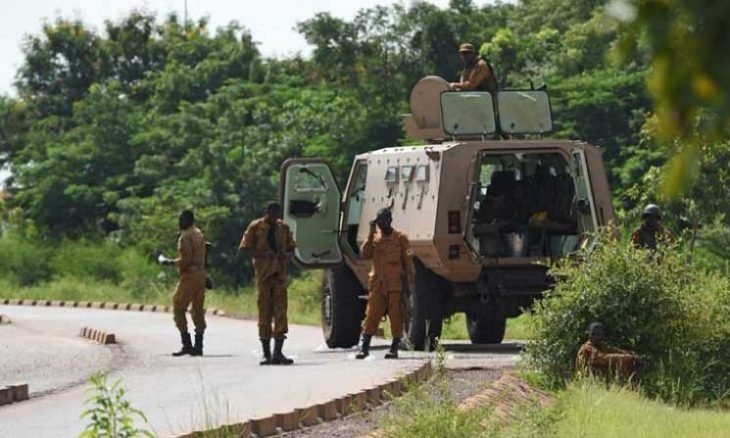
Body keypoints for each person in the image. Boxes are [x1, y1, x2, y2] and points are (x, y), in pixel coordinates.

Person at [239, 202, 297, 365]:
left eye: (277, 213)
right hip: (263, 276)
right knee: (264, 313)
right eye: (272, 213)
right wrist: (262, 254)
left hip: (279, 275)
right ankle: (266, 353)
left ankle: (277, 352)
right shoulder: (256, 227)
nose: (275, 216)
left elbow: (292, 248)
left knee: (280, 313)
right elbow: (244, 248)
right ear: (266, 212)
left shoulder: (283, 228)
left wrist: (286, 255)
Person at [356, 208, 415, 360]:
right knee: (371, 316)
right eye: (379, 222)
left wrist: (410, 286)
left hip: (395, 286)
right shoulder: (374, 240)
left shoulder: (401, 239)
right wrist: (370, 232)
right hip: (377, 285)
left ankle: (394, 347)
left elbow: (409, 265)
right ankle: (364, 348)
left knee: (396, 317)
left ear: (390, 221)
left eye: (383, 221)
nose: (381, 225)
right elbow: (364, 254)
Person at [161, 210, 208, 357]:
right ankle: (199, 345)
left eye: (181, 219)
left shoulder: (185, 236)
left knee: (178, 306)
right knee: (198, 309)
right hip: (201, 274)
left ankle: (186, 344)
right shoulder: (199, 233)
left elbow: (185, 260)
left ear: (187, 220)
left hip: (189, 276)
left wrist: (169, 262)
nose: (179, 222)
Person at [576, 322, 643, 380]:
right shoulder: (587, 348)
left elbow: (613, 350)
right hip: (588, 381)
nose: (598, 337)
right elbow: (603, 358)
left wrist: (631, 355)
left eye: (599, 335)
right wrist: (626, 358)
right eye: (595, 334)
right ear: (590, 335)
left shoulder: (600, 346)